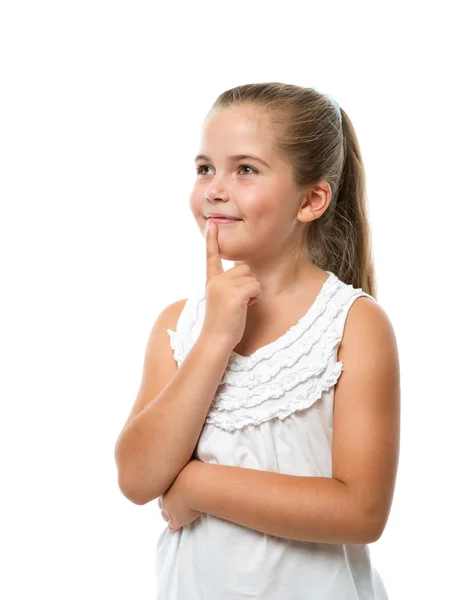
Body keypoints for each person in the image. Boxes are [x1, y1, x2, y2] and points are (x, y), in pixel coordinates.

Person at [114, 82, 400, 600]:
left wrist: (197, 486)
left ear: (311, 199)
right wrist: (215, 338)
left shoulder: (354, 325)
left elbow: (361, 512)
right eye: (205, 168)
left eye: (245, 169)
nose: (215, 189)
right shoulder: (178, 326)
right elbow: (136, 478)